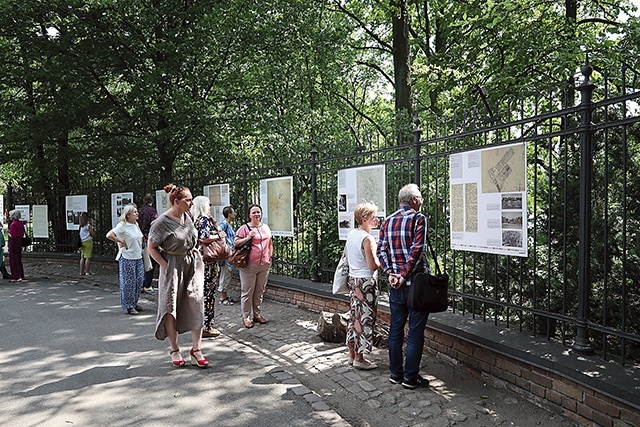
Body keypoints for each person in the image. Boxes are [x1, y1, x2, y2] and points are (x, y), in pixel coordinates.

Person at [147, 184, 209, 368]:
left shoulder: (187, 215)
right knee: (170, 306)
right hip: (172, 265)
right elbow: (151, 248)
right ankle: (174, 349)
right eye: (188, 200)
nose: (191, 203)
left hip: (192, 264)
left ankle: (196, 349)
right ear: (176, 201)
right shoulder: (161, 222)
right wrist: (165, 266)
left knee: (197, 302)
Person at [377, 183, 430, 389]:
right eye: (421, 199)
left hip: (395, 286)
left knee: (396, 329)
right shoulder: (419, 218)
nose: (421, 203)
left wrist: (391, 274)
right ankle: (410, 377)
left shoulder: (387, 221)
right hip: (415, 284)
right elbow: (417, 250)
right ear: (414, 200)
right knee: (415, 332)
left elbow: (381, 251)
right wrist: (403, 275)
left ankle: (395, 374)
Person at [346, 202, 381, 370]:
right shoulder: (368, 239)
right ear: (364, 219)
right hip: (365, 282)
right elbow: (372, 265)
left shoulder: (352, 234)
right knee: (365, 318)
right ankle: (360, 358)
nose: (376, 220)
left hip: (353, 280)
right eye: (374, 217)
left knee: (354, 318)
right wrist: (381, 256)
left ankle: (352, 354)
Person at [191, 195, 226, 338]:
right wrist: (219, 236)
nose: (210, 207)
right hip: (208, 262)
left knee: (203, 293)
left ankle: (201, 324)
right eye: (208, 204)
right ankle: (206, 325)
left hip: (201, 261)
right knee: (208, 294)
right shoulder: (204, 219)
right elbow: (204, 237)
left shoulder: (196, 220)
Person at [234, 204, 273, 329]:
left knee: (259, 291)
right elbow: (235, 242)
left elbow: (270, 243)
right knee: (247, 291)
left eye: (258, 212)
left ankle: (257, 314)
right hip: (249, 265)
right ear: (249, 215)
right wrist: (248, 237)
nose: (257, 214)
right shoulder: (244, 228)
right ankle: (246, 316)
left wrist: (270, 257)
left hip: (264, 264)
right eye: (254, 212)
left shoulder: (266, 227)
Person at [106, 204, 144, 315]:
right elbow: (109, 235)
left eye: (137, 212)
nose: (137, 213)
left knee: (139, 281)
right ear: (128, 215)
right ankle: (129, 306)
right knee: (129, 283)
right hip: (127, 257)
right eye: (134, 212)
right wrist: (120, 241)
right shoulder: (122, 225)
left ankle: (134, 302)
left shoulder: (136, 225)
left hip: (138, 257)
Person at [137, 193, 158, 292]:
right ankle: (147, 284)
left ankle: (140, 284)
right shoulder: (153, 211)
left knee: (141, 261)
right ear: (152, 201)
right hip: (149, 238)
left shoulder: (139, 211)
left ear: (143, 200)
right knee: (150, 262)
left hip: (139, 238)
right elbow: (155, 225)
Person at [218, 206, 236, 305]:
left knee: (227, 275)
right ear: (229, 214)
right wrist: (226, 246)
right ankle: (222, 298)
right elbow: (218, 232)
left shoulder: (228, 225)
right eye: (233, 212)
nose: (234, 214)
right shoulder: (224, 224)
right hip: (226, 255)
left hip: (229, 254)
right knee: (225, 275)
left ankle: (225, 296)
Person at [7, 210, 25, 282]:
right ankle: (21, 274)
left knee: (13, 259)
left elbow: (13, 235)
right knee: (18, 258)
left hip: (14, 242)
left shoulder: (13, 224)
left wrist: (9, 232)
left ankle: (16, 276)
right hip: (19, 241)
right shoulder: (20, 223)